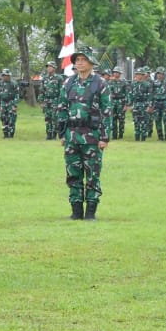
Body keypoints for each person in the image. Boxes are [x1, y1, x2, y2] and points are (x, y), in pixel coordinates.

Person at [56, 48, 111, 220]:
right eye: (77, 60)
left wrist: (104, 137)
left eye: (83, 59)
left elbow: (107, 111)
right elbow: (62, 108)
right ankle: (76, 211)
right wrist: (62, 133)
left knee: (93, 174)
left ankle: (91, 213)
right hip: (72, 136)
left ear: (91, 62)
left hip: (92, 137)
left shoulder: (100, 83)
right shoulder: (69, 83)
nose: (79, 62)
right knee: (73, 174)